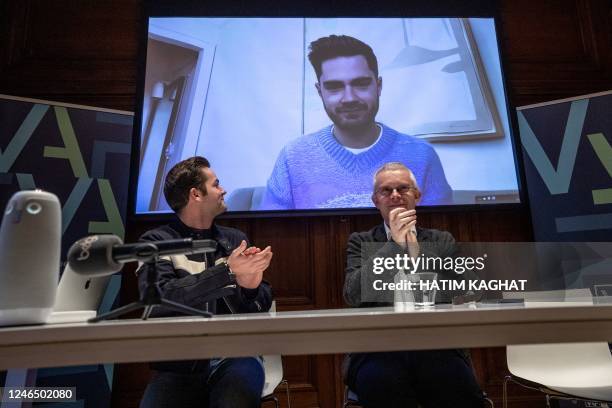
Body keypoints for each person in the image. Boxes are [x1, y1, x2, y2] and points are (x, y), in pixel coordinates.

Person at [343, 162, 484, 408]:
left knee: (459, 392)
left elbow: (469, 290)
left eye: (403, 188)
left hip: (436, 345)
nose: (395, 195)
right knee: (384, 389)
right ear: (376, 200)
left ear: (416, 196)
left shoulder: (441, 240)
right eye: (386, 191)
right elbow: (353, 295)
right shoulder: (361, 241)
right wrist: (394, 246)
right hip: (378, 349)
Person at [137, 156, 273, 408]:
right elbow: (159, 299)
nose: (224, 190)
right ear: (195, 194)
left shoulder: (235, 240)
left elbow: (261, 302)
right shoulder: (154, 241)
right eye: (216, 184)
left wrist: (252, 285)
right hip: (179, 363)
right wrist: (227, 272)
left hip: (237, 356)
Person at [259, 35, 452, 210]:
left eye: (360, 84)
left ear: (379, 86)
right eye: (334, 87)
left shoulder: (421, 155)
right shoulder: (293, 157)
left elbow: (440, 236)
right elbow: (271, 235)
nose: (349, 98)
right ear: (320, 92)